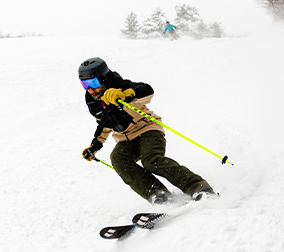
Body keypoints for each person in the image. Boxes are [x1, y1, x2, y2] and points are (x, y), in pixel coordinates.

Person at [78, 57, 214, 204]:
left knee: (151, 160)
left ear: (104, 79)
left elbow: (147, 91)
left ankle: (198, 187)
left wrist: (124, 94)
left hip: (147, 129)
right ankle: (159, 195)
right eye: (85, 84)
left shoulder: (120, 86)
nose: (91, 89)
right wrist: (95, 146)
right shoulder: (93, 101)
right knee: (118, 159)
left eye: (94, 83)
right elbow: (104, 124)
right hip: (125, 139)